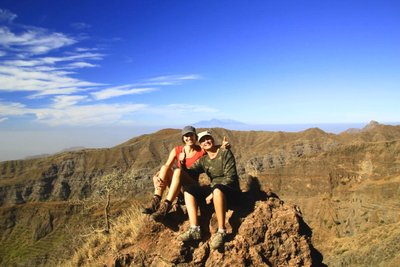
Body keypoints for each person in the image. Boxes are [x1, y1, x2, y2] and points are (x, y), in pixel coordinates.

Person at [142, 126, 229, 222]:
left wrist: (223, 146)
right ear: (183, 138)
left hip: (191, 186)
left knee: (178, 171)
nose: (189, 138)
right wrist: (155, 177)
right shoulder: (177, 150)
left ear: (195, 137)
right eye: (186, 136)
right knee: (164, 168)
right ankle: (155, 202)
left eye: (191, 135)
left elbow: (212, 148)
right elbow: (166, 166)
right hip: (178, 187)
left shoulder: (201, 150)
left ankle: (166, 206)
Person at [178, 130, 241, 250]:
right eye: (203, 140)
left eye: (208, 138)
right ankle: (195, 229)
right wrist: (182, 162)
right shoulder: (204, 160)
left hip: (231, 191)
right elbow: (189, 173)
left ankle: (222, 231)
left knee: (217, 189)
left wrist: (213, 193)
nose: (206, 141)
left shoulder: (225, 153)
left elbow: (231, 177)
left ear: (212, 139)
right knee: (189, 189)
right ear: (201, 146)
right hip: (215, 190)